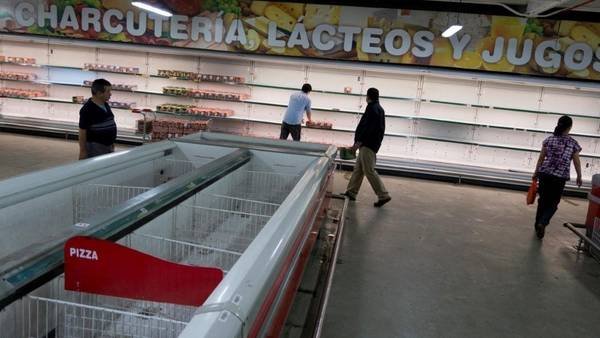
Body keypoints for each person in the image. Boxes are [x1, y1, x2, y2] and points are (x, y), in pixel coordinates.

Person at [532, 115, 582, 239]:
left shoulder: (549, 139)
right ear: (570, 127)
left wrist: (535, 172)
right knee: (553, 203)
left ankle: (537, 224)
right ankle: (542, 223)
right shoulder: (573, 143)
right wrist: (579, 176)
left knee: (542, 200)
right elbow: (576, 161)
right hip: (559, 178)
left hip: (545, 174)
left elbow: (541, 158)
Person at [343, 88, 391, 207]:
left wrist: (358, 143)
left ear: (368, 96)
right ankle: (351, 192)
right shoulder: (379, 109)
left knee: (369, 170)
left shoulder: (371, 108)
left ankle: (383, 195)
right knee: (358, 169)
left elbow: (367, 128)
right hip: (371, 144)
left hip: (368, 144)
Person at [78, 79, 117, 160]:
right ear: (99, 93)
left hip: (108, 145)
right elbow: (82, 132)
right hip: (96, 147)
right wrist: (83, 150)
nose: (111, 94)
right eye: (108, 91)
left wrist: (112, 142)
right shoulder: (87, 109)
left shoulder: (105, 104)